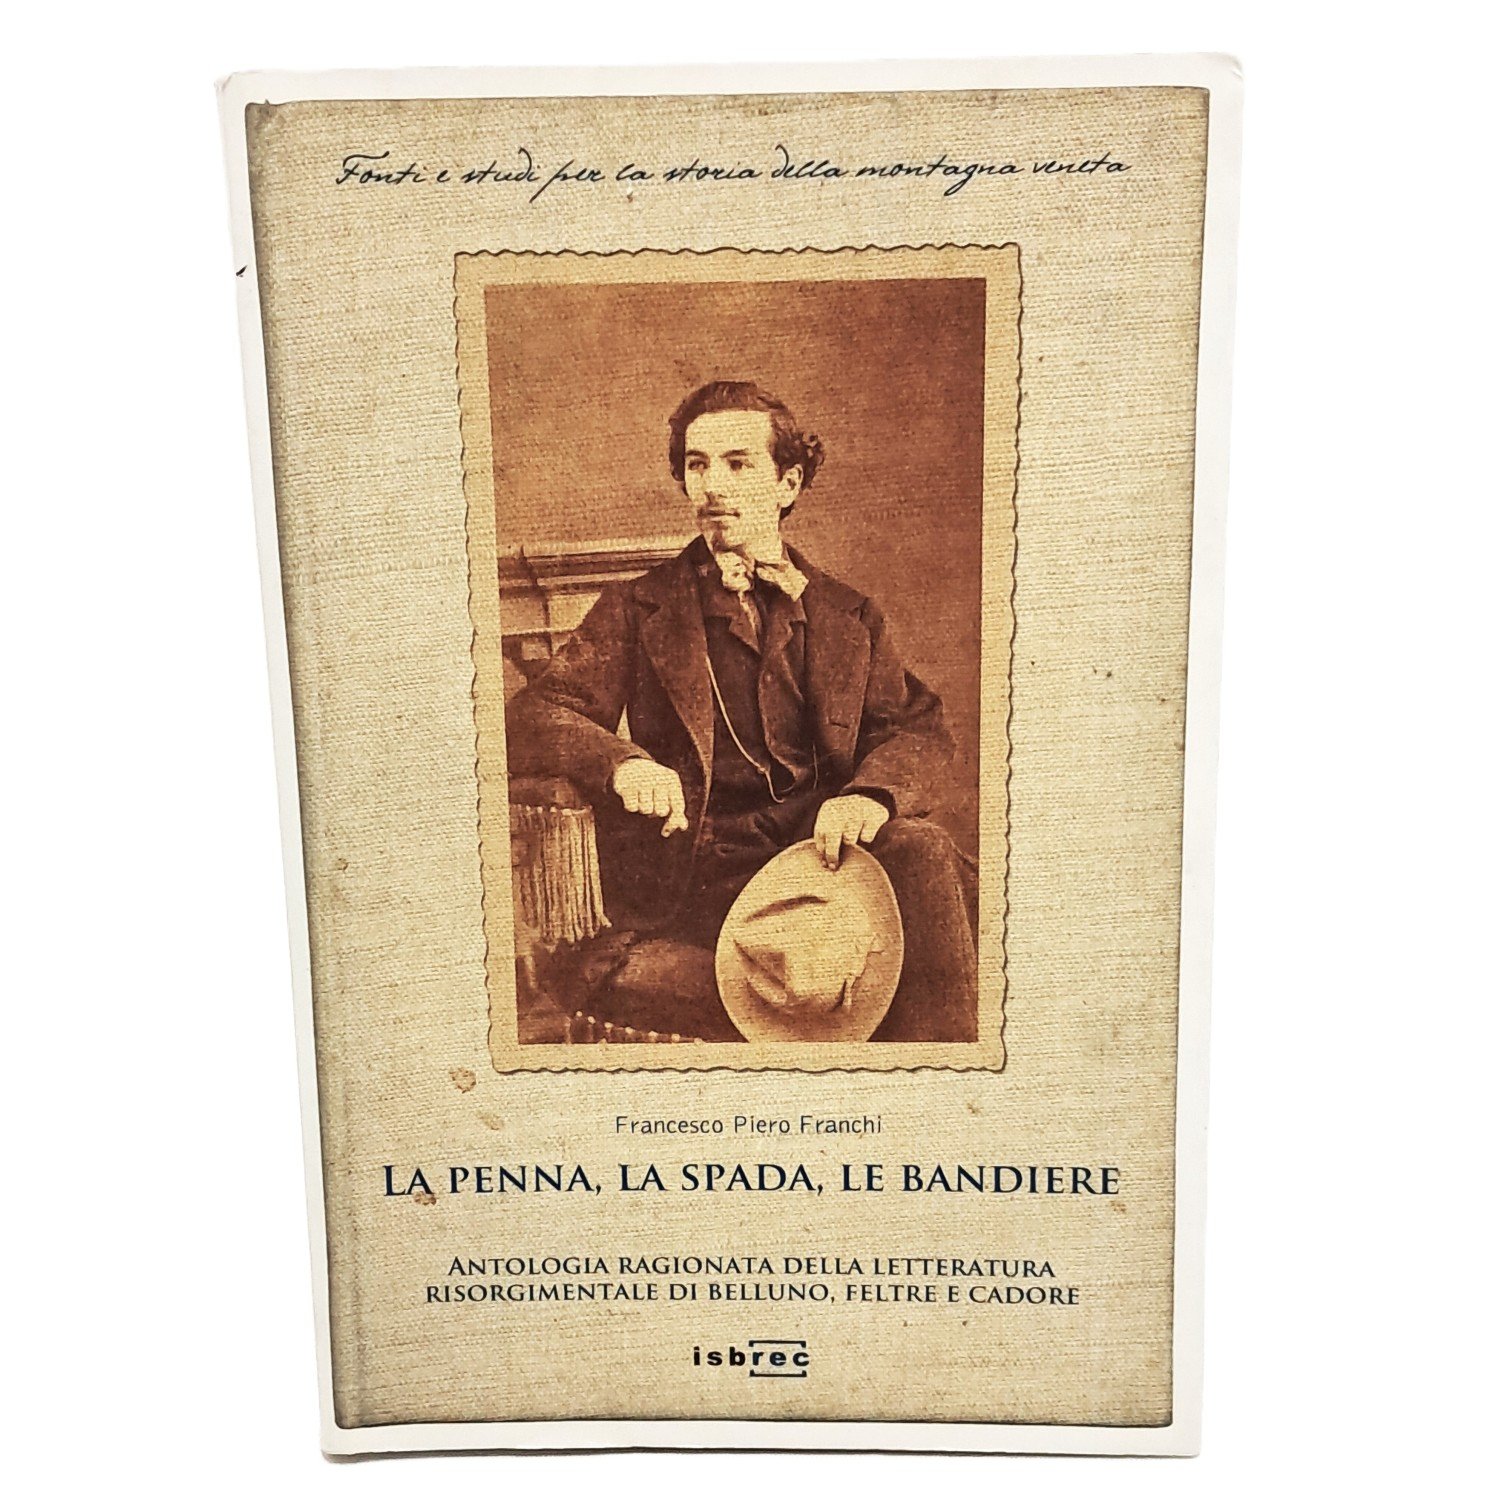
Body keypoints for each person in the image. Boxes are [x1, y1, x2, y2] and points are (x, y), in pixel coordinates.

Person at [506, 380, 978, 1042]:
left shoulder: (848, 615)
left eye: (737, 463)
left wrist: (869, 796)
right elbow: (533, 713)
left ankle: (940, 1082)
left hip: (821, 860)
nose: (712, 486)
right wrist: (622, 763)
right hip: (699, 877)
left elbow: (917, 728)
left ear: (788, 483)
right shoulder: (638, 608)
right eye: (697, 465)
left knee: (923, 851)